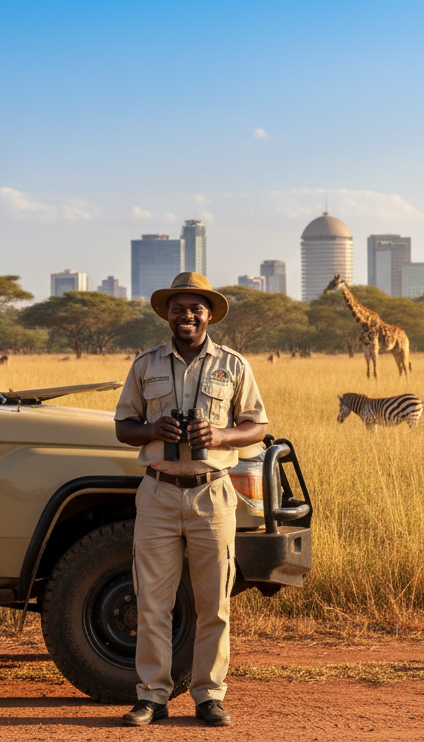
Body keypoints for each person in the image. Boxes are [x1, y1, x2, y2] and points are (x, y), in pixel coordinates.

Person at [114, 272, 267, 727]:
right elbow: (124, 426)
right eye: (178, 308)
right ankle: (152, 696)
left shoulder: (234, 365)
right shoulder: (145, 365)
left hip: (213, 494)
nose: (187, 315)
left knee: (213, 603)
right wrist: (152, 431)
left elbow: (256, 426)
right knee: (152, 603)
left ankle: (208, 696)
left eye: (195, 308)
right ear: (167, 313)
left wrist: (219, 434)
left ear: (208, 314)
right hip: (158, 492)